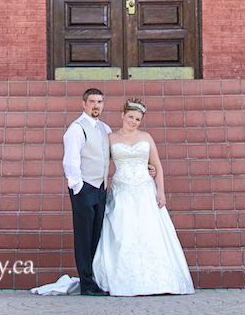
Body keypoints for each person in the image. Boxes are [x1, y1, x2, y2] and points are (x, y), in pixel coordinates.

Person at [92, 97, 195, 296]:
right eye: (130, 117)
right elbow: (102, 165)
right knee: (122, 233)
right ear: (122, 115)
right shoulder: (110, 138)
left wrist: (161, 191)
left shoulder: (146, 137)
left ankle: (160, 281)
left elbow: (157, 166)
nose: (133, 122)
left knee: (150, 232)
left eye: (137, 119)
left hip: (145, 191)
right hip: (121, 192)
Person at [62, 88, 111, 296]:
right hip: (84, 188)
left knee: (96, 234)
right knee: (83, 236)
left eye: (99, 102)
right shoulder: (76, 128)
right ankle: (86, 283)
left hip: (100, 188)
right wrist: (78, 187)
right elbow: (71, 160)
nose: (96, 105)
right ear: (84, 104)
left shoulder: (105, 128)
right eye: (92, 101)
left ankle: (93, 277)